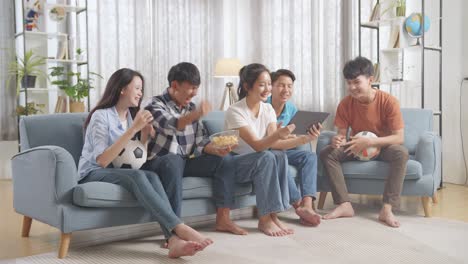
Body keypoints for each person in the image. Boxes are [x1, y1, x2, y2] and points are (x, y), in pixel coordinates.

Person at [77, 68, 212, 258]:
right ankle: (179, 227)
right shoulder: (101, 115)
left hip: (117, 171)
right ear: (122, 89)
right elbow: (102, 160)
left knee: (151, 175)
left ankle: (173, 240)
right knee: (139, 176)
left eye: (142, 89)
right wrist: (133, 130)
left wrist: (145, 137)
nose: (141, 93)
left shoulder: (130, 117)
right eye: (137, 88)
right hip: (93, 171)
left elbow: (132, 159)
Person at [143, 62, 247, 235]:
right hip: (159, 163)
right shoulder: (154, 105)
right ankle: (174, 232)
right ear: (175, 85)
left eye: (197, 88)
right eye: (191, 88)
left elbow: (200, 142)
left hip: (184, 162)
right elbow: (171, 125)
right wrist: (196, 114)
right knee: (173, 159)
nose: (195, 93)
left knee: (225, 160)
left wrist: (217, 149)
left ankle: (223, 220)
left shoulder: (190, 107)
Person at [319, 57, 409, 228]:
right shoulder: (345, 104)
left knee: (401, 153)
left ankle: (387, 208)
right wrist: (336, 140)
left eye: (356, 82)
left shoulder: (389, 101)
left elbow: (399, 138)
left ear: (370, 80)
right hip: (357, 147)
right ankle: (344, 204)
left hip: (384, 147)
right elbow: (341, 135)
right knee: (327, 153)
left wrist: (370, 142)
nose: (352, 87)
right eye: (349, 83)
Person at [266, 69, 322, 226]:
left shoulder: (291, 109)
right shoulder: (263, 106)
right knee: (279, 156)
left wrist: (307, 133)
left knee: (310, 156)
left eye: (290, 86)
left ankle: (308, 205)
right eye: (281, 85)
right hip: (268, 150)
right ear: (272, 87)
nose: (286, 90)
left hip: (285, 148)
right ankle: (298, 206)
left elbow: (296, 134)